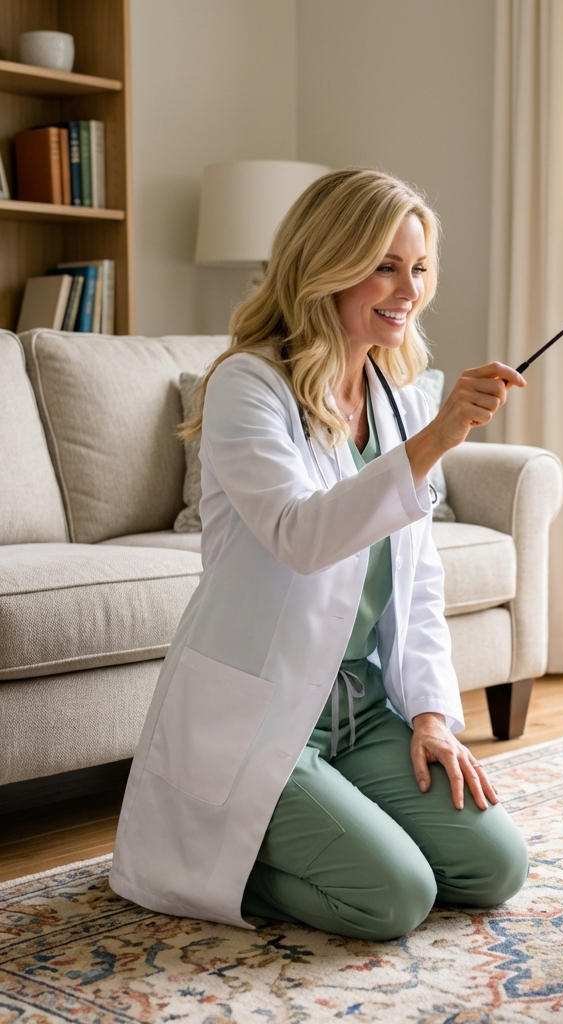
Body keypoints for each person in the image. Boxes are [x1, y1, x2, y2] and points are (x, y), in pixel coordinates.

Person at [109, 169, 529, 940]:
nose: (408, 289)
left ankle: (330, 816)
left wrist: (433, 716)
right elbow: (303, 537)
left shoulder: (393, 396)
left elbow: (418, 582)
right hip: (264, 713)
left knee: (493, 868)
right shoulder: (247, 384)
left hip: (360, 712)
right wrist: (440, 438)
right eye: (385, 265)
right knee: (395, 898)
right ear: (328, 261)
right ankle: (196, 863)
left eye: (420, 268)